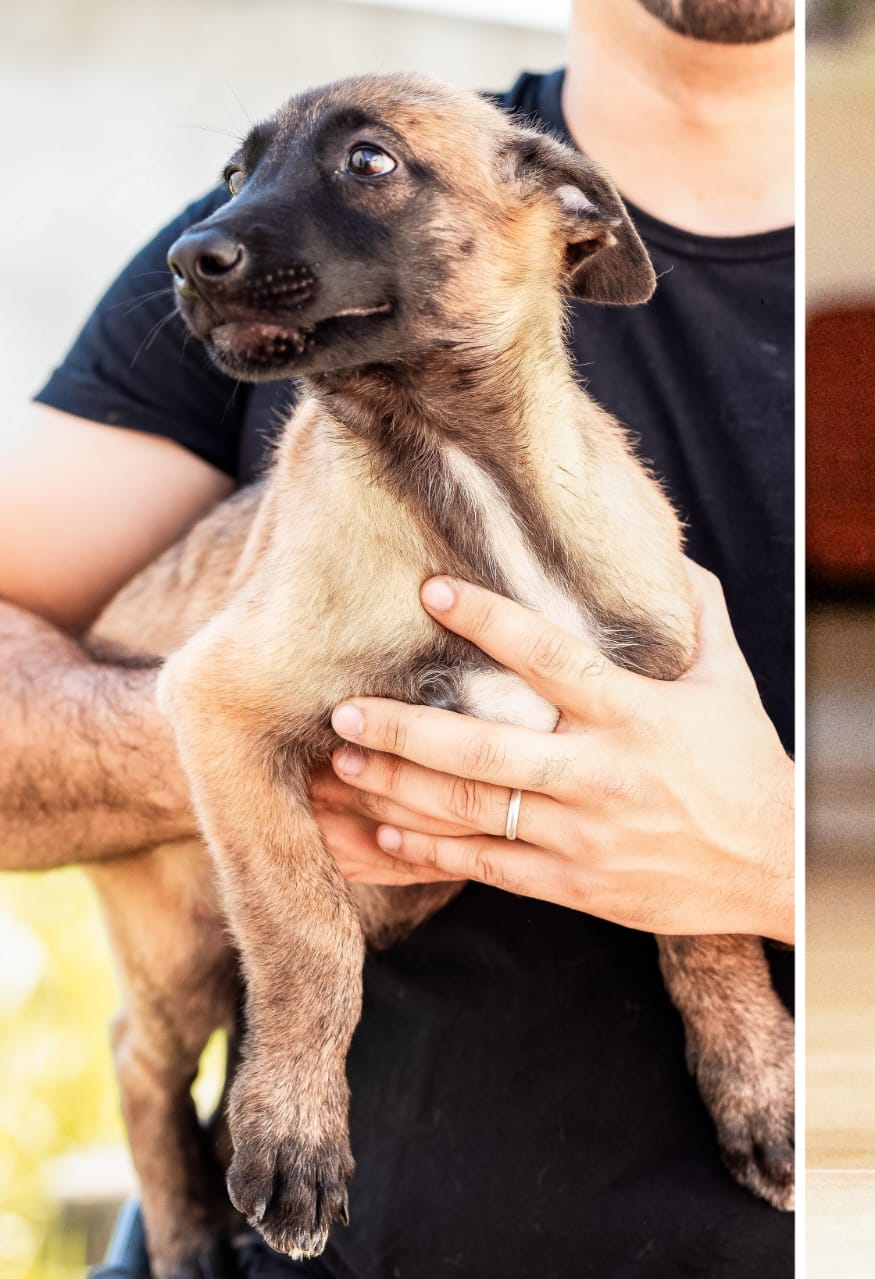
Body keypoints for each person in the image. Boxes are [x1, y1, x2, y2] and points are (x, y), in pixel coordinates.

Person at [0, 0, 795, 1274]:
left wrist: (762, 866)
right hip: (336, 1235)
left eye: (366, 168)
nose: (219, 237)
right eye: (235, 182)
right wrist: (257, 773)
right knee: (178, 1003)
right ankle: (158, 1114)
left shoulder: (606, 465)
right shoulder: (260, 262)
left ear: (565, 224)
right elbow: (166, 698)